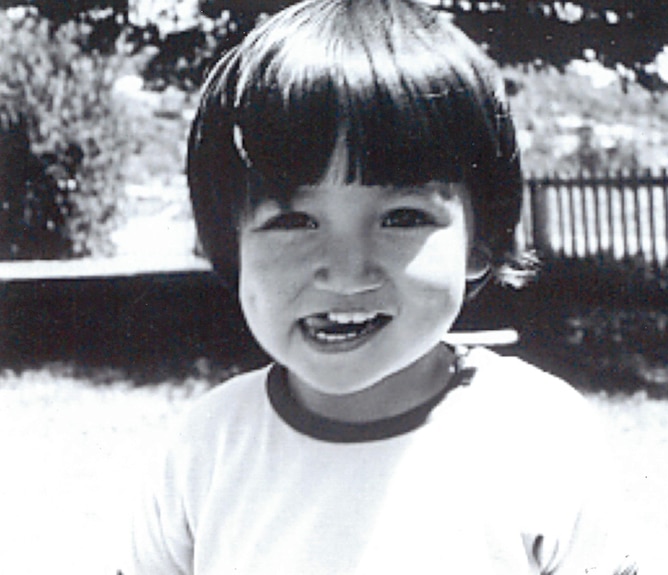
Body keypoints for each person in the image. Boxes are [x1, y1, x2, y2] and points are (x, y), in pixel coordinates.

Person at [120, 0, 640, 572]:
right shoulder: (205, 451)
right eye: (293, 221)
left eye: (402, 217)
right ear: (229, 244)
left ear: (481, 240)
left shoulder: (541, 438)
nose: (346, 272)